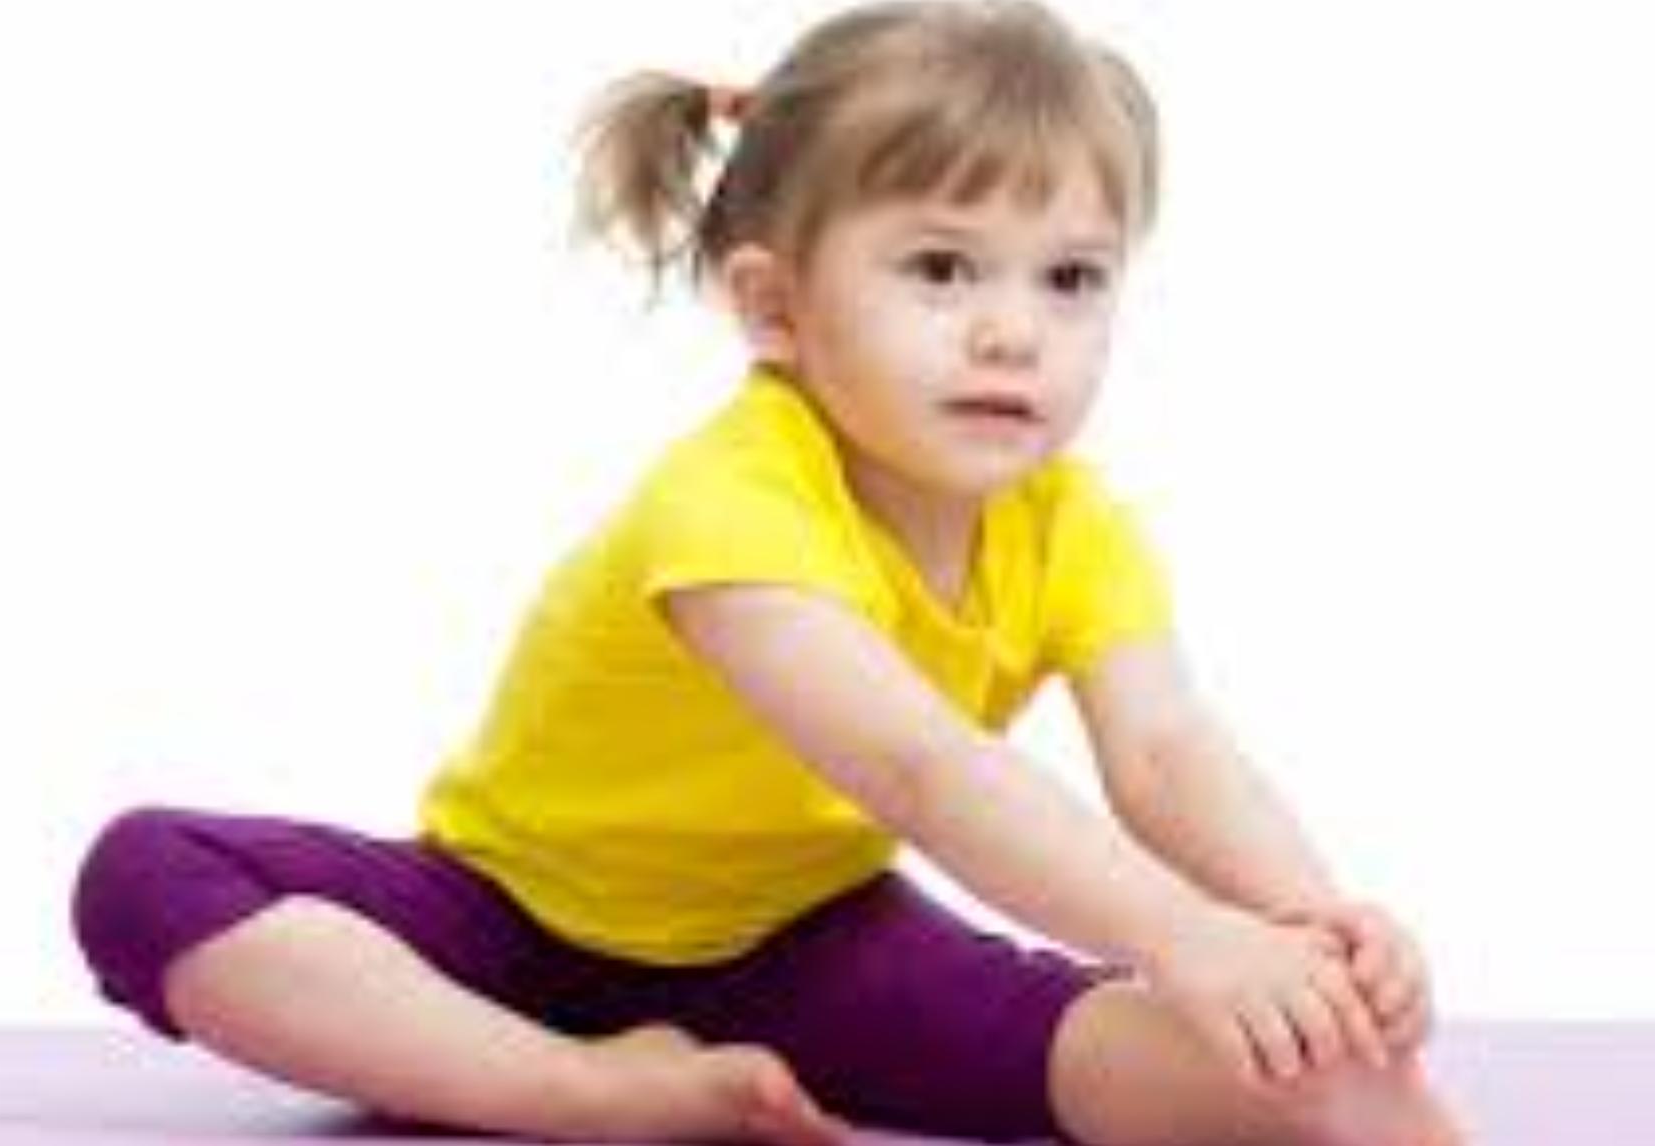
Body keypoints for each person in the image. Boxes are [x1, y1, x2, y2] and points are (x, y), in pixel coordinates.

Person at [72, 3, 1466, 1144]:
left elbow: (1166, 751)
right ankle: (577, 1090)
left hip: (802, 945)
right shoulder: (731, 502)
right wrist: (1185, 932)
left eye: (1071, 278)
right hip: (506, 921)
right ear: (774, 305)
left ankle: (1326, 1097)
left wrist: (1308, 929)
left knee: (1250, 1062)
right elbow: (922, 769)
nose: (1013, 332)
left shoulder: (1071, 523)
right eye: (942, 268)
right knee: (146, 878)